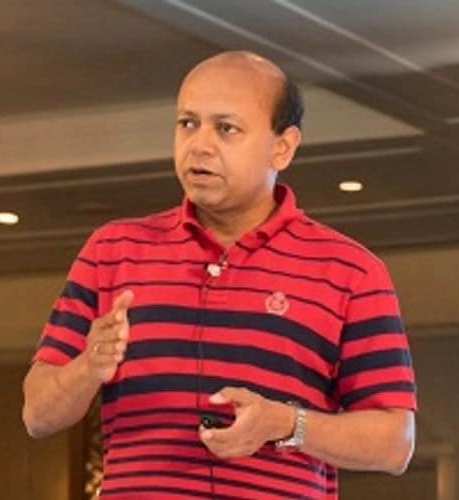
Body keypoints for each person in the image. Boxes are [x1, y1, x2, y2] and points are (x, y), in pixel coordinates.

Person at [22, 51, 416, 500]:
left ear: (283, 147)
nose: (199, 145)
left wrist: (286, 423)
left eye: (226, 129)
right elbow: (37, 414)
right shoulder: (113, 250)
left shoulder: (349, 270)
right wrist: (88, 367)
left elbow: (395, 443)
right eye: (187, 124)